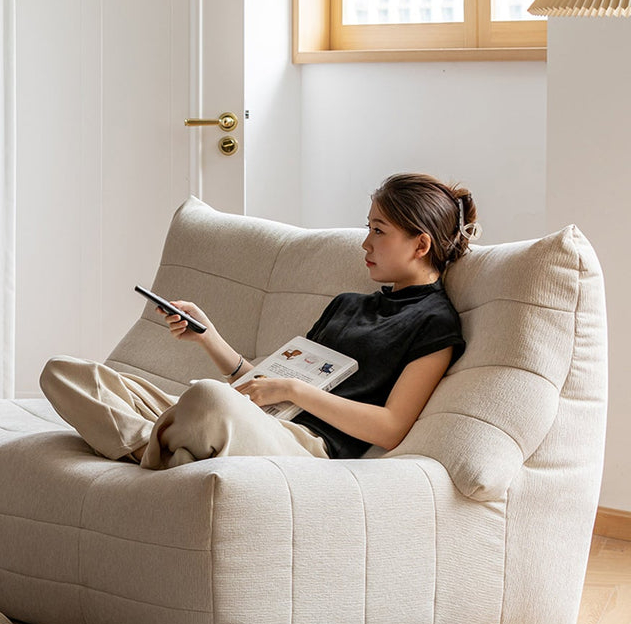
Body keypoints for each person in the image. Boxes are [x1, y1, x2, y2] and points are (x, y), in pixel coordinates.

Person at [39, 173, 480, 469]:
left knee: (207, 401)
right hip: (255, 416)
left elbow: (391, 426)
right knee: (66, 373)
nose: (365, 242)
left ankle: (156, 446)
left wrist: (293, 391)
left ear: (420, 244)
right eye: (368, 227)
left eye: (379, 231)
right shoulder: (348, 304)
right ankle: (158, 450)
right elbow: (268, 382)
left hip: (303, 448)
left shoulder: (434, 323)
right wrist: (208, 338)